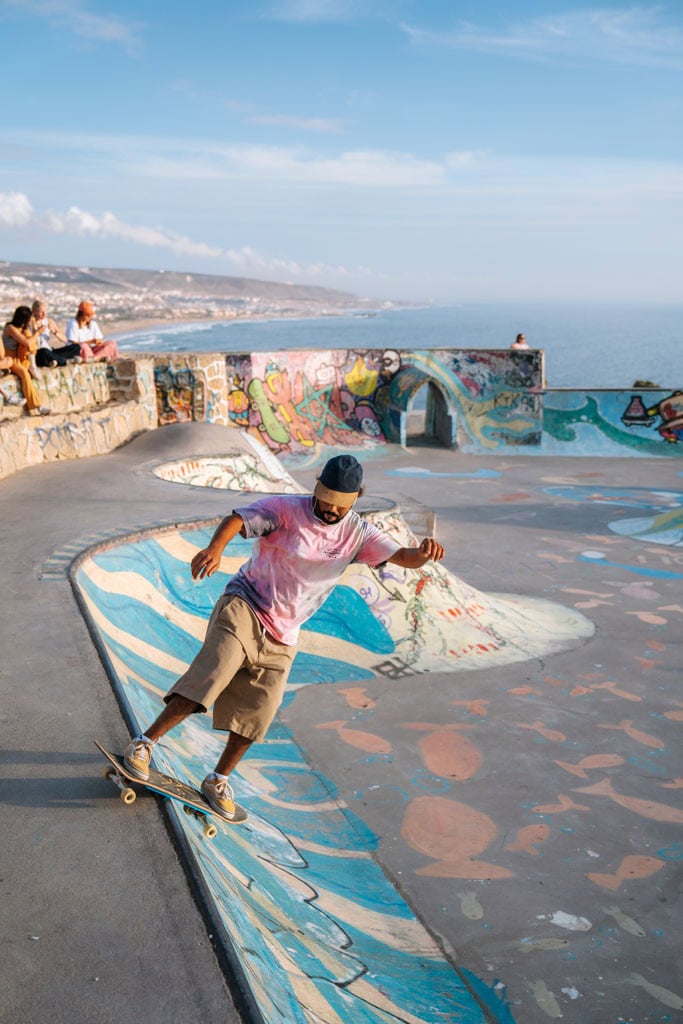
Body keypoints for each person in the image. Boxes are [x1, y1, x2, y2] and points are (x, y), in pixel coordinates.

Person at [123, 454, 446, 820]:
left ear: (356, 498)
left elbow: (402, 556)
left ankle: (217, 779)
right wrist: (216, 548)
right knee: (217, 668)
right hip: (246, 602)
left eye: (338, 504)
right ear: (317, 488)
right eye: (324, 498)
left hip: (285, 633)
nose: (328, 509)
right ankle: (145, 743)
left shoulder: (358, 533)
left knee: (259, 711)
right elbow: (238, 519)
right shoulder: (285, 510)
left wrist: (422, 554)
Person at [1, 307, 49, 415]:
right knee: (24, 373)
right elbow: (26, 343)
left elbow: (29, 341)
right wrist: (38, 333)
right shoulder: (10, 328)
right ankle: (38, 406)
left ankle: (32, 364)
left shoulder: (23, 328)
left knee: (28, 334)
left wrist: (34, 328)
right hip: (10, 357)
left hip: (20, 356)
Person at [30, 299, 83, 369]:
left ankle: (55, 361)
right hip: (38, 353)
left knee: (76, 347)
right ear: (34, 312)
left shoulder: (48, 321)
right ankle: (65, 361)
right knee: (44, 352)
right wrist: (36, 330)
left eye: (45, 311)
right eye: (41, 312)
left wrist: (55, 332)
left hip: (50, 351)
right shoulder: (29, 323)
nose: (44, 314)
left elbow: (65, 340)